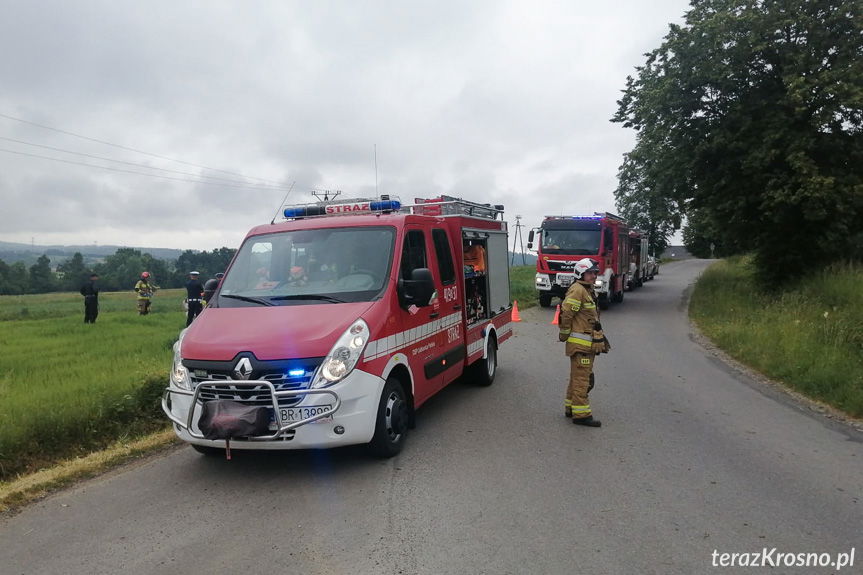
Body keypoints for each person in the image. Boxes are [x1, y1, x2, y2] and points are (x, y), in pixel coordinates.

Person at [558, 258, 610, 427]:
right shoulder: (578, 290)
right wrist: (564, 334)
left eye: (595, 273)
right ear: (581, 273)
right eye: (591, 273)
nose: (594, 276)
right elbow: (566, 314)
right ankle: (582, 416)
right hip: (581, 345)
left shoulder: (586, 289)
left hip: (586, 344)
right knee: (583, 380)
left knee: (577, 377)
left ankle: (571, 408)